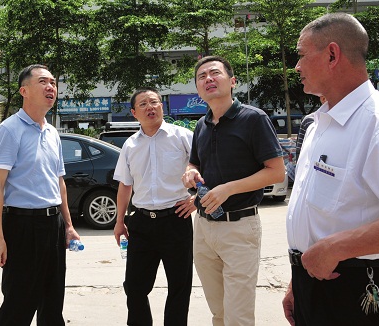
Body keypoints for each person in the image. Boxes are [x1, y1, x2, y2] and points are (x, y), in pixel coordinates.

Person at [283, 13, 379, 326]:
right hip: (314, 280)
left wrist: (335, 248)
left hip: (359, 289)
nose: (297, 67)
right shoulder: (318, 123)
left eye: (301, 55)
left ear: (332, 55)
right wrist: (299, 280)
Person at [182, 55, 285, 326]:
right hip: (203, 228)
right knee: (219, 312)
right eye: (202, 76)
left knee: (238, 316)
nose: (208, 79)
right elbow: (194, 162)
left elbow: (276, 172)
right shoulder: (201, 125)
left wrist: (228, 189)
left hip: (240, 228)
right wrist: (190, 171)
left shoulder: (253, 119)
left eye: (215, 73)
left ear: (232, 81)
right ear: (198, 88)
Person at [0, 64, 81, 326]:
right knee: (19, 303)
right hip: (22, 226)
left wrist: (68, 225)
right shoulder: (8, 130)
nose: (51, 87)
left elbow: (59, 182)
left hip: (53, 224)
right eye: (43, 82)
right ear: (24, 91)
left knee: (53, 301)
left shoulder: (52, 133)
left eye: (53, 82)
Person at [113, 88, 195, 326]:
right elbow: (125, 185)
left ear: (162, 106)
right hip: (141, 223)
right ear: (133, 113)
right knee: (134, 286)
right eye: (143, 104)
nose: (150, 107)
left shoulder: (183, 136)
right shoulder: (130, 145)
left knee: (179, 286)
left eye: (154, 102)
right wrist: (120, 221)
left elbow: (207, 168)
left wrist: (197, 199)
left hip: (176, 219)